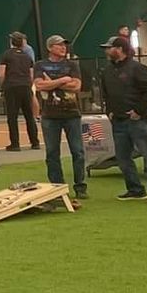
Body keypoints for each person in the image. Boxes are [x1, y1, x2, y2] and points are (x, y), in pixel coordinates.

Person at [99, 35, 147, 203]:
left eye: (110, 48)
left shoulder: (138, 68)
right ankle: (135, 189)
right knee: (122, 158)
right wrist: (109, 111)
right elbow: (106, 94)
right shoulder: (107, 71)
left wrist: (138, 110)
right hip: (118, 121)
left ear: (120, 49)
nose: (107, 51)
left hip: (138, 121)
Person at [33, 35, 87, 199]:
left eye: (64, 45)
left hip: (72, 114)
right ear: (50, 48)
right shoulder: (40, 65)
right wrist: (63, 80)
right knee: (52, 153)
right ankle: (57, 187)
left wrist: (52, 83)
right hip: (50, 115)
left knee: (78, 151)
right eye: (59, 45)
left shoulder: (72, 64)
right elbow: (39, 84)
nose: (63, 48)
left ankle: (80, 187)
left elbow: (76, 86)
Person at [0, 33, 40, 151]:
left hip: (11, 87)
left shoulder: (6, 55)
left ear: (12, 42)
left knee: (12, 116)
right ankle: (35, 142)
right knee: (29, 116)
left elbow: (1, 74)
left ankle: (15, 144)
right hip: (26, 86)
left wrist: (1, 88)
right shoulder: (27, 57)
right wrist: (28, 85)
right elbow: (31, 74)